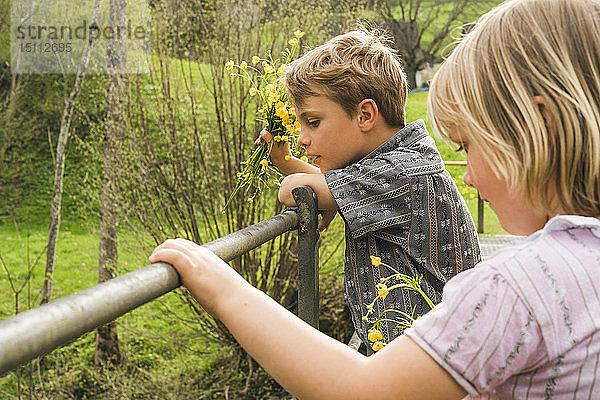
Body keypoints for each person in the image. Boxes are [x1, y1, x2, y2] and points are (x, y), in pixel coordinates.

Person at [150, 0, 600, 397]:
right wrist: (291, 165)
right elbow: (332, 190)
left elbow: (366, 391)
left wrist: (216, 280)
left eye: (468, 147)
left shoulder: (512, 282)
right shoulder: (583, 258)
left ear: (540, 127)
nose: (470, 178)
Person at [255, 28, 481, 349]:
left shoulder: (402, 171)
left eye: (313, 122)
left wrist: (311, 187)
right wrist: (287, 162)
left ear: (364, 115)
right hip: (422, 353)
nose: (303, 137)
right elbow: (329, 187)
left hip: (437, 361)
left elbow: (292, 190)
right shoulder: (397, 161)